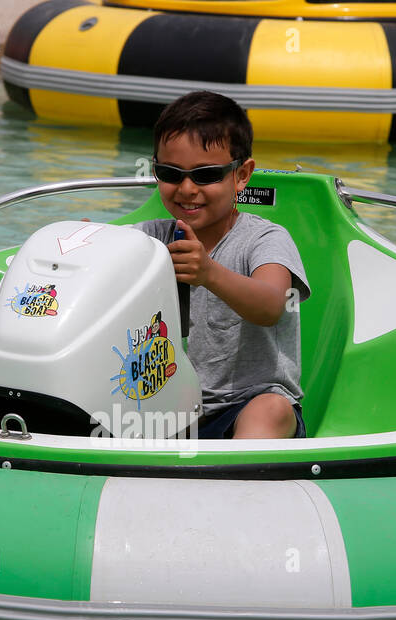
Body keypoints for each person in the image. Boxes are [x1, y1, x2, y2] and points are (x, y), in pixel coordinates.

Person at [132, 90, 310, 440]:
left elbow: (272, 304)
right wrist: (87, 245)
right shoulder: (149, 238)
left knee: (271, 409)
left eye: (205, 175)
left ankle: (236, 487)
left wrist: (209, 273)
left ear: (241, 175)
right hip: (166, 414)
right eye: (170, 173)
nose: (186, 189)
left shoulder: (264, 239)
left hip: (244, 408)